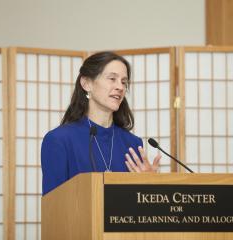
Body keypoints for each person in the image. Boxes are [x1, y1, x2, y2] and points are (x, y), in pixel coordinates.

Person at [41, 51, 161, 195]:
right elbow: (53, 205)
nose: (120, 87)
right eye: (112, 79)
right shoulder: (59, 140)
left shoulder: (132, 144)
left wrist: (150, 185)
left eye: (124, 82)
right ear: (86, 83)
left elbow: (139, 209)